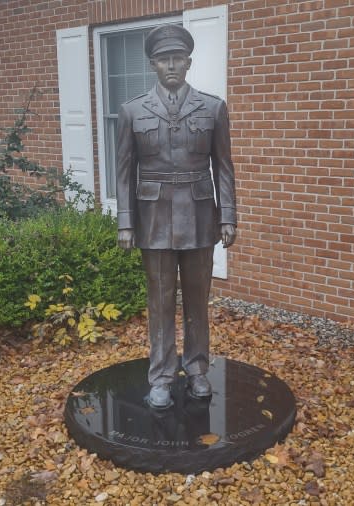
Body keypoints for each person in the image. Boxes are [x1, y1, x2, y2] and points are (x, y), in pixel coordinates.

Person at [116, 24, 237, 409]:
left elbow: (224, 167)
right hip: (153, 218)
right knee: (160, 301)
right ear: (152, 64)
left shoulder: (213, 107)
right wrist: (125, 221)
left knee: (198, 299)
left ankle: (197, 368)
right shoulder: (132, 110)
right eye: (163, 59)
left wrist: (228, 215)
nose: (171, 65)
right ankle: (162, 376)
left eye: (177, 58)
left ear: (188, 61)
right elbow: (123, 172)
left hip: (201, 215)